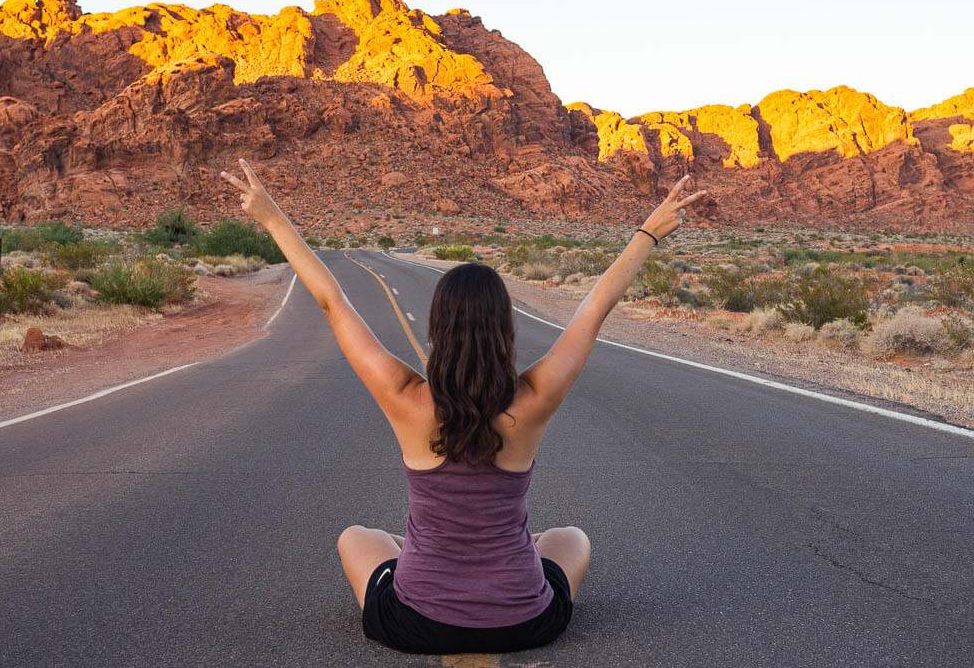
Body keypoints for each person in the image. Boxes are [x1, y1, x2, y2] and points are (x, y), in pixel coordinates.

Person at [221, 159, 709, 654]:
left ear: (438, 328)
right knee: (572, 537)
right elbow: (594, 308)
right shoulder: (533, 399)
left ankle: (421, 555)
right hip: (525, 620)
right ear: (505, 329)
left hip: (417, 622)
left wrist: (271, 217)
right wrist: (648, 233)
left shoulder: (405, 396)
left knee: (356, 537)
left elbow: (332, 301)